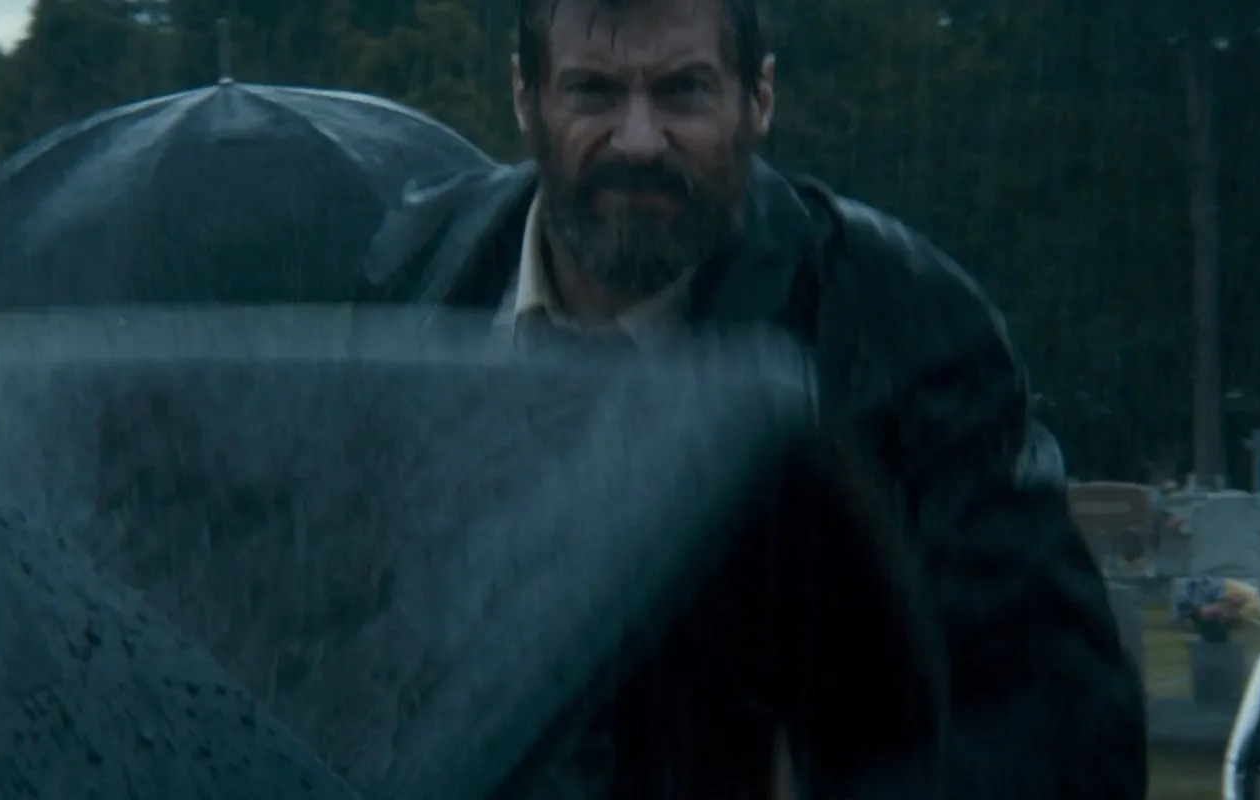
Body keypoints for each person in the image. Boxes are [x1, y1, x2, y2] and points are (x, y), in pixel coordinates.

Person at [360, 0, 1145, 795]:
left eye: (683, 91)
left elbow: (1050, 726)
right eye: (593, 92)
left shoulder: (898, 332)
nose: (639, 141)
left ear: (758, 100)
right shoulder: (410, 279)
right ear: (525, 98)